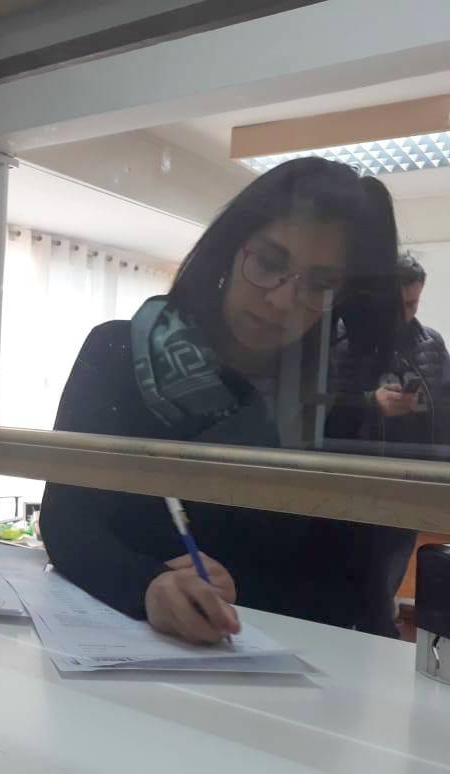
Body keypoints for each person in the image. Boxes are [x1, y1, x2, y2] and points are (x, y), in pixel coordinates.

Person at [40, 157, 409, 644]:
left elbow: (352, 584)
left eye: (319, 284)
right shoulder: (118, 352)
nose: (281, 300)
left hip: (268, 664)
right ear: (232, 249)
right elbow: (67, 520)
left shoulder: (335, 404)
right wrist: (147, 585)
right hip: (119, 652)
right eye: (269, 264)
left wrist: (241, 590)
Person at [368, 253, 450, 447]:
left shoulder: (432, 342)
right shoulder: (346, 341)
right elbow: (329, 408)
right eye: (396, 305)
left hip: (427, 460)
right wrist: (372, 403)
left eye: (412, 304)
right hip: (370, 461)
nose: (403, 313)